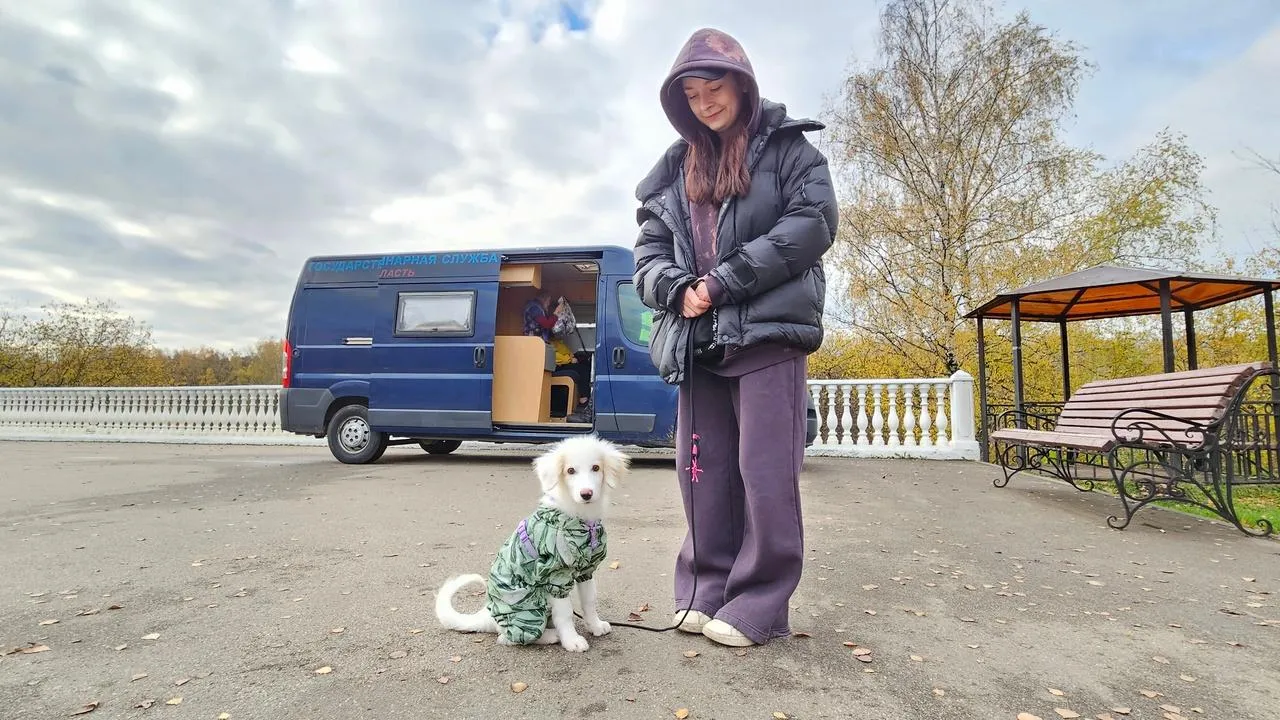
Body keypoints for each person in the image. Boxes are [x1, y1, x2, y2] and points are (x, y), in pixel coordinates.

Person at [632, 27, 837, 647]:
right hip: (700, 343)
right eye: (691, 93)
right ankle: (703, 591)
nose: (704, 102)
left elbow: (814, 223)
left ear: (741, 84)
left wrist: (722, 281)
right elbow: (647, 254)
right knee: (704, 472)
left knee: (764, 470)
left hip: (768, 335)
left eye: (713, 86)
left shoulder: (791, 151)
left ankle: (760, 605)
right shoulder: (672, 169)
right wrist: (676, 288)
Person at [522, 291, 591, 417]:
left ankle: (584, 400)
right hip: (537, 354)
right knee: (578, 370)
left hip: (548, 356)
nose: (549, 305)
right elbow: (547, 324)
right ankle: (583, 400)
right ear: (544, 299)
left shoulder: (551, 339)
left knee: (583, 366)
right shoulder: (534, 307)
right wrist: (556, 313)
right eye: (548, 302)